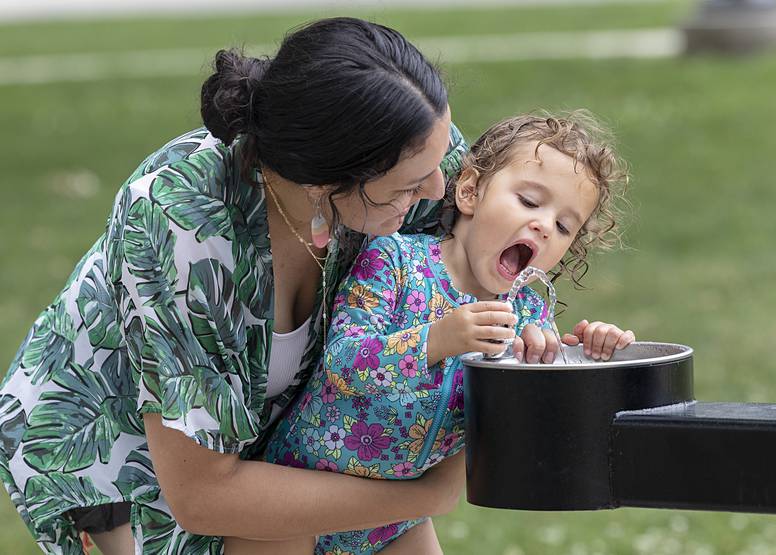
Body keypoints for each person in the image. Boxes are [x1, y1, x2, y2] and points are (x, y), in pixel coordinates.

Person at [0, 17, 471, 555]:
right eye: (412, 184)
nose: (440, 187)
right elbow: (203, 495)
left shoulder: (418, 146)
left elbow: (501, 262)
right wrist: (420, 497)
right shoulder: (180, 220)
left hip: (282, 440)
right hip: (120, 458)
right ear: (322, 182)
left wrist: (557, 349)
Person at [228, 110, 635, 555]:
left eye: (562, 227)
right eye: (530, 201)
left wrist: (585, 357)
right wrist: (436, 340)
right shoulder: (395, 260)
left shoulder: (529, 315)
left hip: (393, 519)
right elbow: (343, 362)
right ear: (470, 191)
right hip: (300, 492)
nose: (543, 225)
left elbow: (534, 425)